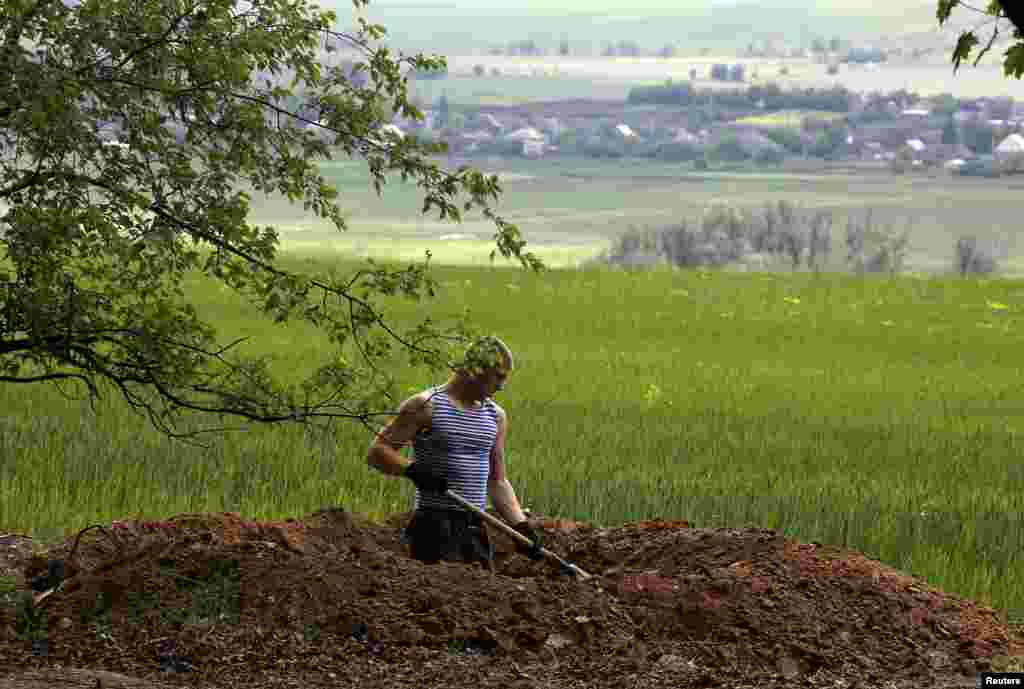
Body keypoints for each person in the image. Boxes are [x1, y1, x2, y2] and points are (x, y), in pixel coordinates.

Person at [367, 336, 544, 566]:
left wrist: (520, 526)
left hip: (474, 528)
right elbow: (377, 452)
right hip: (432, 526)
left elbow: (497, 481)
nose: (501, 386)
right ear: (475, 370)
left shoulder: (495, 417)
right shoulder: (426, 405)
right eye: (499, 377)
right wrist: (413, 471)